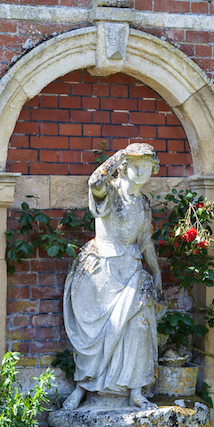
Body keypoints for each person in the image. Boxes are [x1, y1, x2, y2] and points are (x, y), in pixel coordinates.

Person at [62, 143, 163, 411]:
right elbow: (95, 180)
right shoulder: (110, 192)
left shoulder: (142, 202)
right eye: (135, 166)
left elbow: (145, 241)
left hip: (131, 270)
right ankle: (82, 388)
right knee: (96, 336)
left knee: (137, 329)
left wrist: (155, 270)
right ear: (124, 167)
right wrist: (120, 155)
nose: (141, 172)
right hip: (101, 272)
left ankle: (136, 391)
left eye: (147, 167)